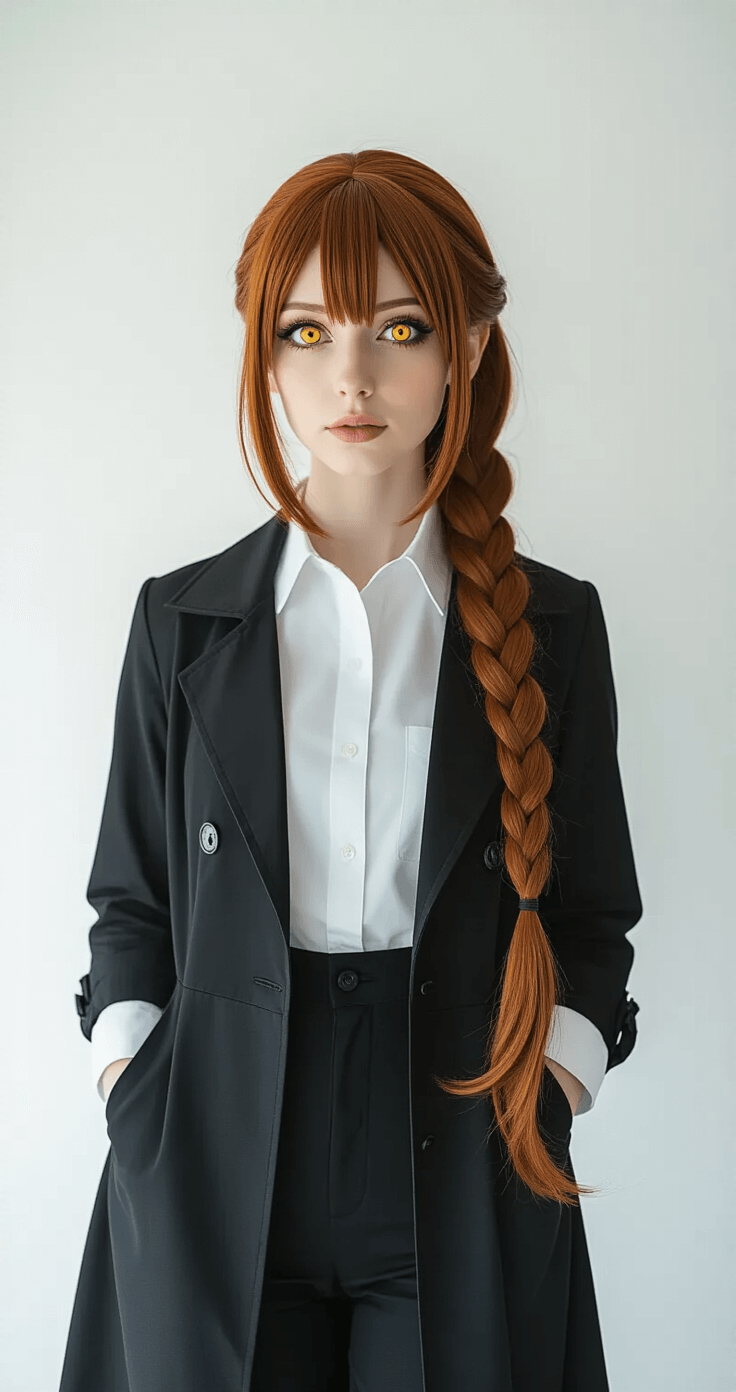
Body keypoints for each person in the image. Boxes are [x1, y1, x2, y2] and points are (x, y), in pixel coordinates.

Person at [60, 149, 643, 1392]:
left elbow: (591, 915)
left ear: (470, 347)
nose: (352, 375)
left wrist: (548, 1095)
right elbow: (132, 904)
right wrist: (137, 1085)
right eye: (307, 329)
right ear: (263, 353)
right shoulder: (184, 623)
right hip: (214, 1143)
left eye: (401, 326)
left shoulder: (556, 630)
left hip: (464, 1135)